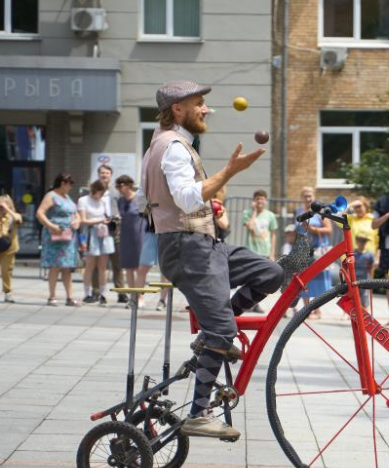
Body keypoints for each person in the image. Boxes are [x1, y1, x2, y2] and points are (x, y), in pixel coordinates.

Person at [138, 81, 282, 440]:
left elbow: (147, 199)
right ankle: (199, 413)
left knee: (271, 273)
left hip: (203, 244)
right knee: (222, 330)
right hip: (188, 249)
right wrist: (229, 173)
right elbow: (187, 198)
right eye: (199, 103)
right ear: (178, 109)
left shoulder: (164, 143)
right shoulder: (172, 147)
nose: (206, 109)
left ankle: (213, 332)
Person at [36, 173, 81, 306]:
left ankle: (70, 297)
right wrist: (51, 225)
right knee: (55, 266)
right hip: (55, 235)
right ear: (62, 183)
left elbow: (75, 214)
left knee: (67, 266)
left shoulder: (66, 197)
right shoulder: (51, 196)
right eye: (70, 184)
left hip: (68, 236)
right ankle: (52, 296)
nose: (71, 187)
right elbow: (40, 213)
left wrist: (77, 221)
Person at [295, 186, 332, 319]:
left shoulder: (320, 211)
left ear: (314, 196)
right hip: (303, 249)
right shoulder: (298, 210)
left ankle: (317, 309)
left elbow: (329, 230)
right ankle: (306, 309)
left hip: (317, 251)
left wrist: (312, 229)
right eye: (305, 196)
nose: (308, 198)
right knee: (304, 279)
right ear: (301, 198)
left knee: (317, 280)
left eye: (310, 195)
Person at [78, 180, 116, 306]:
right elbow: (83, 220)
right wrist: (99, 220)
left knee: (102, 266)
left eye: (102, 193)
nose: (100, 195)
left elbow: (108, 215)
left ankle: (103, 294)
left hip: (103, 234)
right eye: (99, 192)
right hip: (90, 233)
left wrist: (108, 219)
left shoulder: (103, 200)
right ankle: (87, 293)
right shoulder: (83, 200)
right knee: (89, 265)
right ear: (94, 190)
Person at [94, 164, 125, 304]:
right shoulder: (93, 191)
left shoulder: (116, 192)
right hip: (98, 230)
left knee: (117, 263)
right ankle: (96, 292)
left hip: (114, 230)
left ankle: (121, 292)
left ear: (111, 175)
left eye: (106, 173)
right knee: (98, 264)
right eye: (102, 173)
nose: (104, 175)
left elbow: (123, 209)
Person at [116, 175, 146, 305]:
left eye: (121, 185)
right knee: (128, 268)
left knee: (140, 268)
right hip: (125, 236)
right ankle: (133, 297)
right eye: (118, 186)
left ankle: (140, 297)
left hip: (140, 235)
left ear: (128, 185)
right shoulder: (120, 201)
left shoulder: (139, 198)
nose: (120, 188)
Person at [243, 189, 278, 260]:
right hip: (251, 251)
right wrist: (254, 211)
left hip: (265, 252)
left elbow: (273, 235)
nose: (259, 201)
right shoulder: (247, 213)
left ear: (266, 201)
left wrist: (272, 253)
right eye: (257, 199)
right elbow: (250, 227)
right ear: (254, 201)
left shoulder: (271, 215)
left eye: (262, 199)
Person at [353, 233, 375, 309]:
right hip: (354, 278)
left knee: (364, 296)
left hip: (365, 278)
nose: (362, 243)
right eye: (360, 241)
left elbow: (371, 267)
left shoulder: (369, 255)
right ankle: (351, 313)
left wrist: (371, 279)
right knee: (353, 296)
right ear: (356, 241)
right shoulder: (353, 253)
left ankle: (365, 313)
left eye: (364, 241)